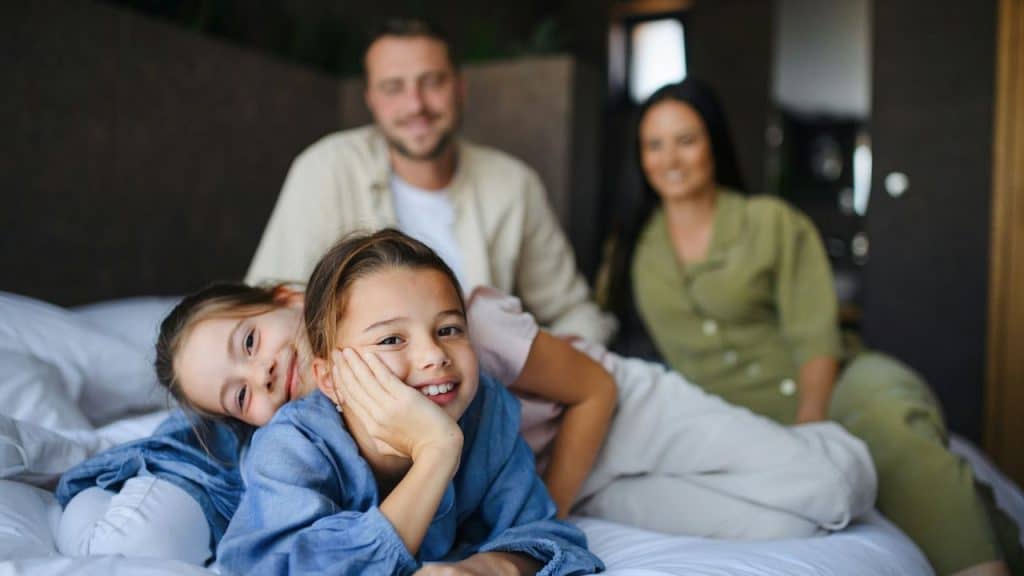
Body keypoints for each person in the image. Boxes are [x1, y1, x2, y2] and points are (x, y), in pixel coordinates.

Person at [57, 232, 876, 567]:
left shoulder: (471, 353)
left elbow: (589, 399)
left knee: (825, 491)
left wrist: (496, 512)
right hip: (569, 473)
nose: (264, 380)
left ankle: (847, 434)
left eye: (249, 346)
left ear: (285, 302)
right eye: (238, 397)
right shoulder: (293, 440)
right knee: (781, 528)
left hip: (612, 412)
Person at [609, 77, 1021, 576]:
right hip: (732, 417)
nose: (670, 159)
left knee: (895, 427)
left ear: (713, 143)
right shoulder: (635, 250)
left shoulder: (771, 222)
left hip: (835, 383)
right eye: (654, 145)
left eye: (686, 140)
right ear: (639, 156)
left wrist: (811, 430)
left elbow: (814, 334)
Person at [215, 229, 603, 575]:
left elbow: (543, 531)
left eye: (449, 329)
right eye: (390, 340)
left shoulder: (485, 408)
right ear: (331, 379)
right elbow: (280, 566)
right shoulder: (293, 447)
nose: (434, 355)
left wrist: (491, 566)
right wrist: (436, 453)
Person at [246, 18, 615, 344]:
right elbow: (267, 307)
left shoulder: (514, 184)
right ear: (371, 99)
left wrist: (561, 376)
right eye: (393, 87)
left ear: (459, 87)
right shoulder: (324, 169)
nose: (415, 105)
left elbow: (574, 312)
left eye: (432, 82)